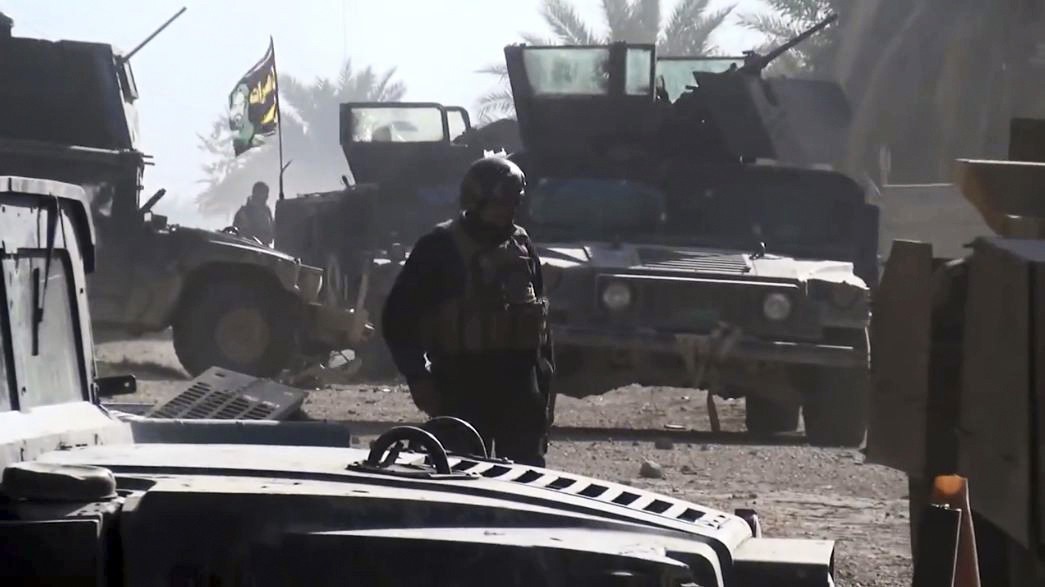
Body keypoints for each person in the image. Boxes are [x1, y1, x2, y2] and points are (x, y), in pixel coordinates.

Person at [381, 156, 555, 467]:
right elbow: (398, 318)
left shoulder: (521, 245)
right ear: (477, 201)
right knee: (460, 471)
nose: (509, 210)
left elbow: (540, 320)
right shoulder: (439, 246)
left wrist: (543, 388)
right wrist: (417, 377)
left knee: (526, 475)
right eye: (501, 203)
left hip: (519, 385)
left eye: (515, 202)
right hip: (462, 383)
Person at [233, 181, 275, 246]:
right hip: (249, 248)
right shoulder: (243, 213)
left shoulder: (267, 211)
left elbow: (272, 231)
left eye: (267, 194)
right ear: (255, 193)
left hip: (265, 248)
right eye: (263, 193)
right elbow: (240, 235)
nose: (266, 197)